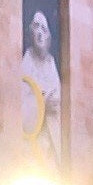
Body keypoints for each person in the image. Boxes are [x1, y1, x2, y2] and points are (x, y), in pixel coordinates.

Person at [20, 9, 62, 167]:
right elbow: (21, 101)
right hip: (31, 144)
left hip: (49, 143)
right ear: (31, 32)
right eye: (36, 27)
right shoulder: (26, 63)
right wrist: (42, 103)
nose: (39, 33)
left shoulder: (52, 65)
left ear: (49, 37)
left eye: (43, 29)